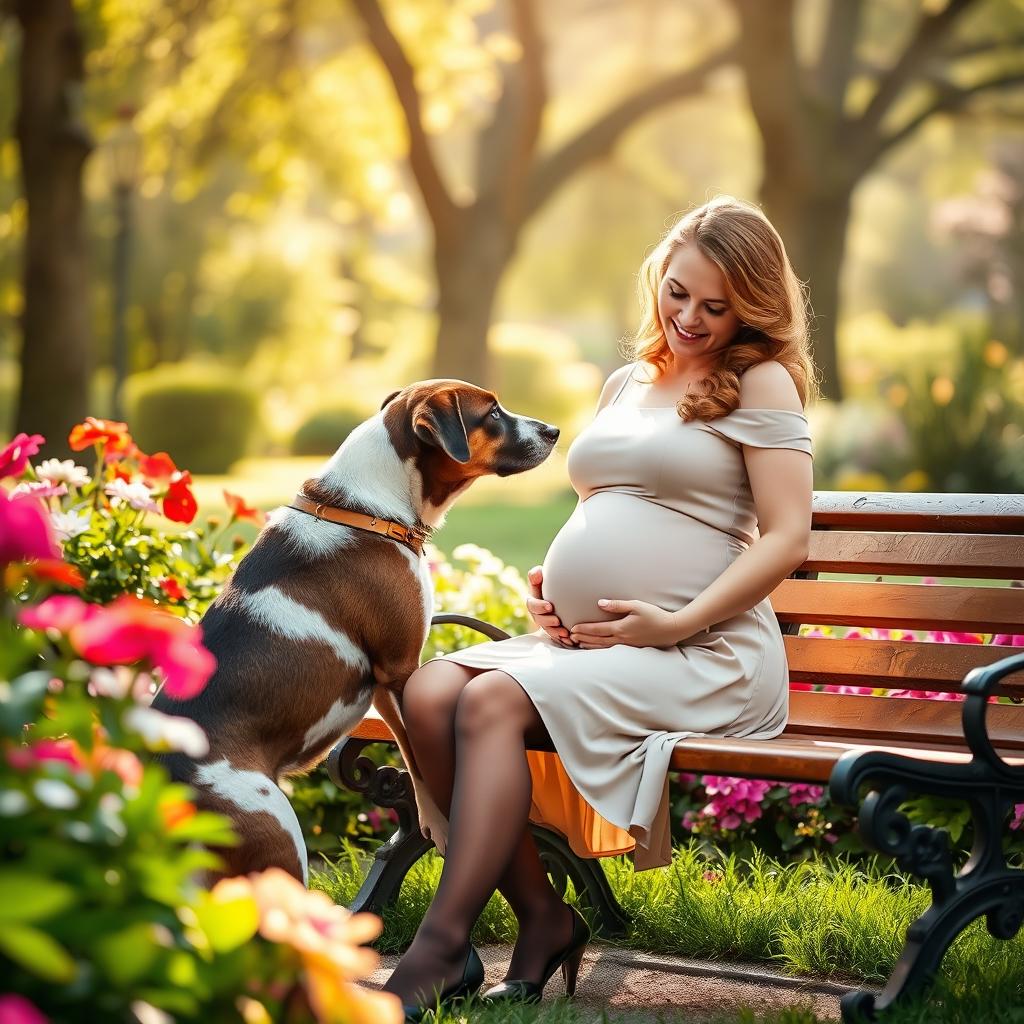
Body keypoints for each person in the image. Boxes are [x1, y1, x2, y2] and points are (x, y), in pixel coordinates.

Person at [384, 194, 816, 1018]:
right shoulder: (630, 379)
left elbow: (787, 537)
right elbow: (605, 503)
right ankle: (543, 919)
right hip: (601, 647)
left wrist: (677, 621)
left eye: (716, 306)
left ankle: (441, 949)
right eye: (678, 291)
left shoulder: (760, 381)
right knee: (432, 692)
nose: (689, 316)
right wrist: (551, 584)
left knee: (488, 703)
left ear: (753, 306)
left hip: (706, 654)